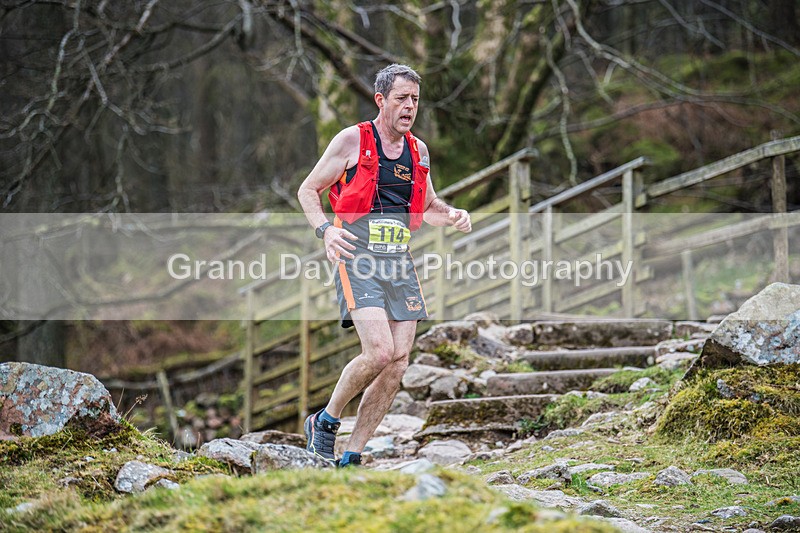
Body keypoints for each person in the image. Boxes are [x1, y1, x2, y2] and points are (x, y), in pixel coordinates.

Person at [297, 64, 471, 467]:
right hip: (357, 257)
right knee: (378, 352)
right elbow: (308, 189)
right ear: (381, 100)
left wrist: (454, 214)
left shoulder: (418, 151)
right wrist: (325, 229)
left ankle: (353, 454)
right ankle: (325, 421)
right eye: (401, 99)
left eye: (414, 100)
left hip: (399, 263)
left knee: (398, 362)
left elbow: (428, 207)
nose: (409, 107)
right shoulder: (352, 141)